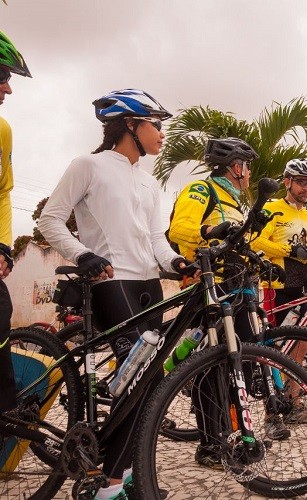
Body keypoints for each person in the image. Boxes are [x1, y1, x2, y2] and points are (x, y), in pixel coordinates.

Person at [38, 89, 194, 500]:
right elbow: (49, 219)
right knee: (146, 379)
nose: (162, 133)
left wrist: (177, 263)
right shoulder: (88, 165)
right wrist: (81, 253)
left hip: (147, 285)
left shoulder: (148, 181)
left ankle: (121, 473)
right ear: (129, 124)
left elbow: (157, 240)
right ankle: (109, 486)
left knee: (144, 384)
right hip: (110, 282)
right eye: (155, 125)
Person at [168, 138, 294, 459]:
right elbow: (179, 229)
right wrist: (210, 232)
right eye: (247, 166)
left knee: (236, 361)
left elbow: (240, 241)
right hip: (211, 287)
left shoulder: (238, 200)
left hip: (238, 288)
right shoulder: (202, 189)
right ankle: (210, 443)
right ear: (236, 167)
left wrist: (261, 260)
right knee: (213, 368)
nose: (250, 173)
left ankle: (235, 430)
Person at [0, 30, 32, 415]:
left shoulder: (3, 130)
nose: (8, 89)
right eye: (3, 75)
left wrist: (4, 245)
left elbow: (3, 192)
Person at [253, 158, 307, 325]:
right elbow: (255, 243)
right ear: (287, 182)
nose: (306, 188)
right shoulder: (271, 208)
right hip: (279, 285)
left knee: (304, 340)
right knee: (277, 344)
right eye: (301, 182)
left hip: (304, 284)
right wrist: (290, 250)